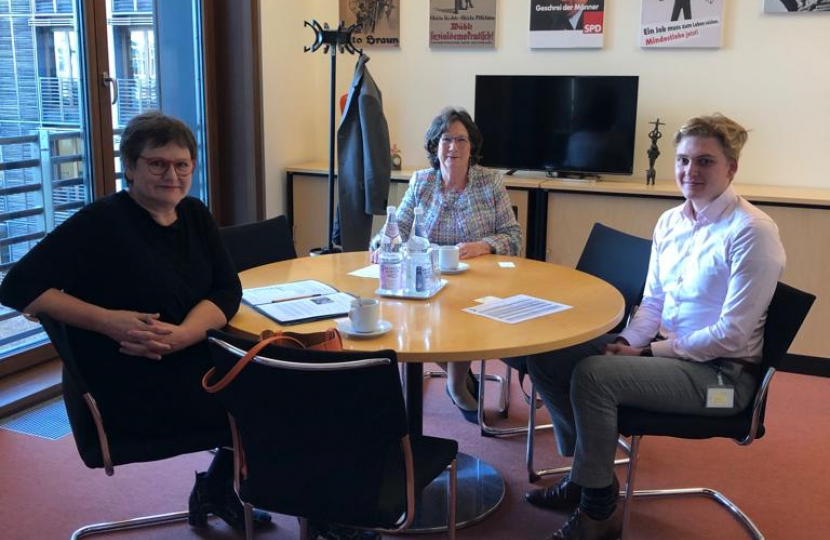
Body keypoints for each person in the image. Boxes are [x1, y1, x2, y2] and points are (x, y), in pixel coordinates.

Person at [0, 111, 272, 532]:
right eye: (157, 164)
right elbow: (17, 286)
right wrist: (108, 321)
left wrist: (184, 334)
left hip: (191, 360)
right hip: (134, 384)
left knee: (293, 381)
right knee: (287, 398)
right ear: (129, 166)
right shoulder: (102, 222)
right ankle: (321, 509)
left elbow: (225, 290)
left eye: (182, 165)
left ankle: (222, 486)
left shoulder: (194, 215)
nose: (172, 175)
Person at [523, 114, 785, 540]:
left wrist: (645, 354)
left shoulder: (752, 232)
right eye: (683, 160)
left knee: (593, 376)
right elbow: (654, 303)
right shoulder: (670, 222)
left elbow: (733, 334)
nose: (690, 171)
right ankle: (587, 475)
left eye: (705, 161)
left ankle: (598, 508)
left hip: (723, 380)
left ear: (731, 168)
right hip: (670, 357)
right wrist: (627, 340)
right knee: (549, 355)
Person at [372, 107, 522, 423]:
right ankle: (457, 376)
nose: (453, 147)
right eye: (446, 139)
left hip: (479, 282)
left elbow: (513, 236)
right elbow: (395, 227)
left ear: (472, 147)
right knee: (416, 310)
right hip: (428, 278)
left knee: (460, 309)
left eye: (461, 140)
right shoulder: (422, 181)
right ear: (435, 146)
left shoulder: (490, 181)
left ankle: (456, 382)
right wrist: (379, 246)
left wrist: (484, 246)